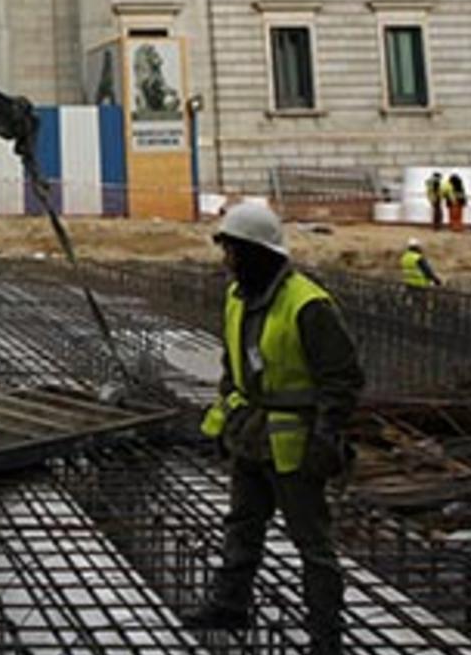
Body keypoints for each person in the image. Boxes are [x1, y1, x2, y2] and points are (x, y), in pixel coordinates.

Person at [182, 204, 362, 655]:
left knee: (312, 545)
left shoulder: (308, 304)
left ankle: (326, 636)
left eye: (233, 252)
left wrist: (326, 437)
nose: (227, 262)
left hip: (296, 446)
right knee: (242, 525)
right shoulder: (237, 296)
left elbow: (342, 379)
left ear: (256, 253)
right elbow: (234, 367)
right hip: (251, 437)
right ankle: (229, 605)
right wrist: (227, 424)